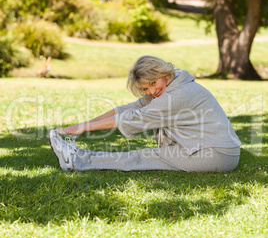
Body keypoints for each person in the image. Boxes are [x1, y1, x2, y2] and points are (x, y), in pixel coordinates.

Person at [49, 56, 241, 172]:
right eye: (145, 88)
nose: (151, 91)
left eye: (152, 83)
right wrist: (80, 125)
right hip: (207, 148)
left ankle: (75, 160)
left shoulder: (178, 94)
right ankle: (77, 157)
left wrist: (80, 128)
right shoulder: (173, 82)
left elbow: (135, 118)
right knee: (143, 155)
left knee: (140, 157)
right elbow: (129, 109)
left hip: (216, 153)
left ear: (163, 73)